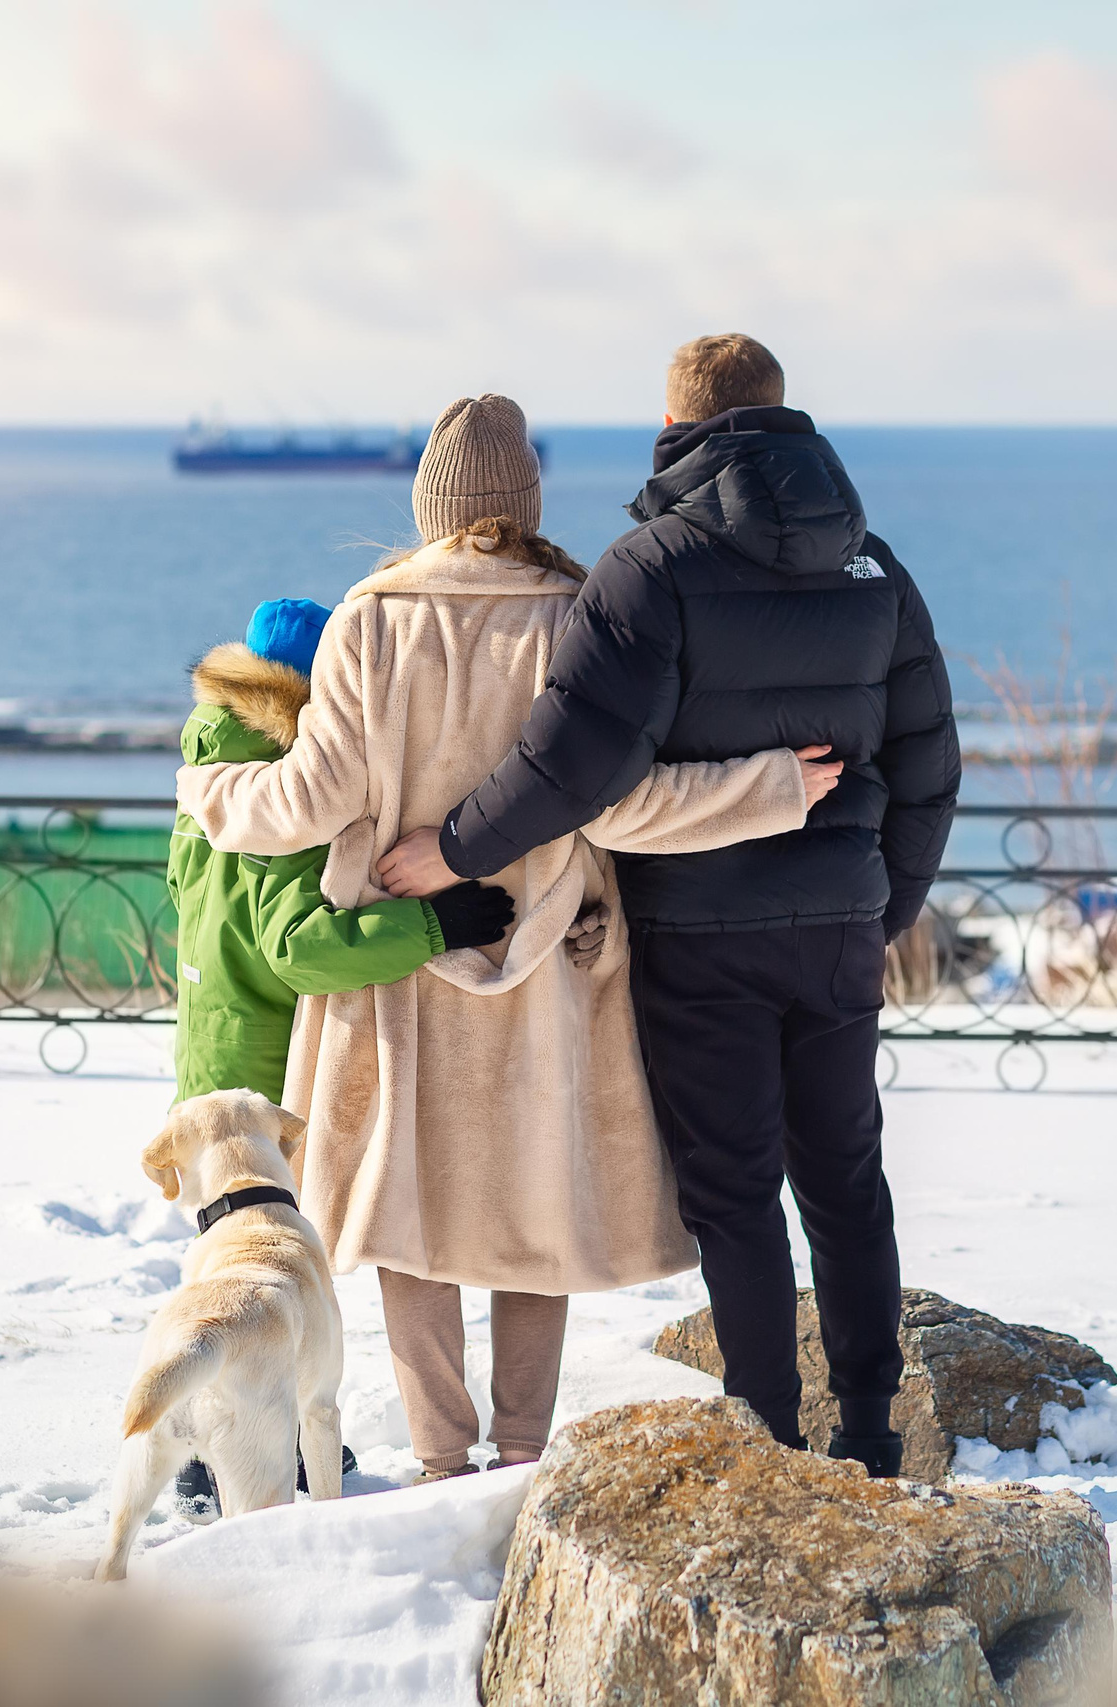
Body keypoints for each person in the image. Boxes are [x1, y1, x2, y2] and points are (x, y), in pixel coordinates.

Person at [176, 395, 841, 1480]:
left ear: (429, 504)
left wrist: (209, 791)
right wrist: (772, 786)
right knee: (534, 1210)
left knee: (407, 1217)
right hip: (552, 965)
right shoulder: (582, 615)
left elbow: (307, 799)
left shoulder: (371, 618)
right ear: (526, 501)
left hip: (401, 962)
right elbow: (625, 805)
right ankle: (522, 1452)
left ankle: (441, 1458)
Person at [375, 336, 959, 1478]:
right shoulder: (875, 568)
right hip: (837, 928)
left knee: (738, 1197)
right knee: (845, 1178)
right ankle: (873, 1432)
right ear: (785, 417)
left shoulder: (649, 568)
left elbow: (570, 767)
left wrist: (452, 849)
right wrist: (879, 906)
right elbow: (931, 765)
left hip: (698, 937)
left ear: (673, 424)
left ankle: (771, 1445)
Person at [162, 596, 515, 1509]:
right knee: (263, 1266)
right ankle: (222, 1454)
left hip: (206, 1054)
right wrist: (434, 920)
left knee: (224, 1261)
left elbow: (192, 896)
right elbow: (301, 945)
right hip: (258, 1070)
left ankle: (214, 1439)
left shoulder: (208, 771)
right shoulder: (278, 803)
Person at [167, 598, 514, 1105]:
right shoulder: (294, 802)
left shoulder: (203, 786)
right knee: (271, 1184)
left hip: (203, 1038)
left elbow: (182, 891)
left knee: (221, 1181)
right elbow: (299, 950)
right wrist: (433, 926)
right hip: (269, 1063)